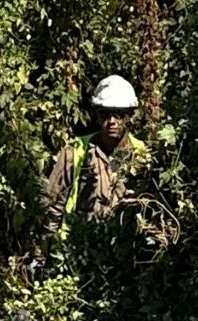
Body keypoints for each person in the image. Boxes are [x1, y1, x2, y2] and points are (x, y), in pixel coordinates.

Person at [43, 73, 148, 244]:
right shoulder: (75, 151)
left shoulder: (142, 155)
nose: (112, 121)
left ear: (130, 116)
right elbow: (52, 206)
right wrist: (42, 254)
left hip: (124, 254)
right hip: (78, 250)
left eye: (118, 114)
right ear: (97, 116)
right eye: (105, 114)